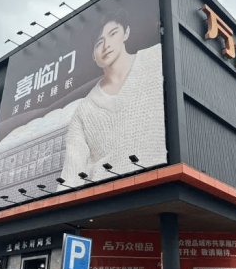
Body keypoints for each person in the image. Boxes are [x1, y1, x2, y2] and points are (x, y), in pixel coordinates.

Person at [58, 10, 166, 188]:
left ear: (126, 33)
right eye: (99, 42)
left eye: (113, 34)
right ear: (93, 56)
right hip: (105, 196)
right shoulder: (84, 110)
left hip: (164, 181)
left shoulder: (156, 58)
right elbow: (71, 173)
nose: (106, 45)